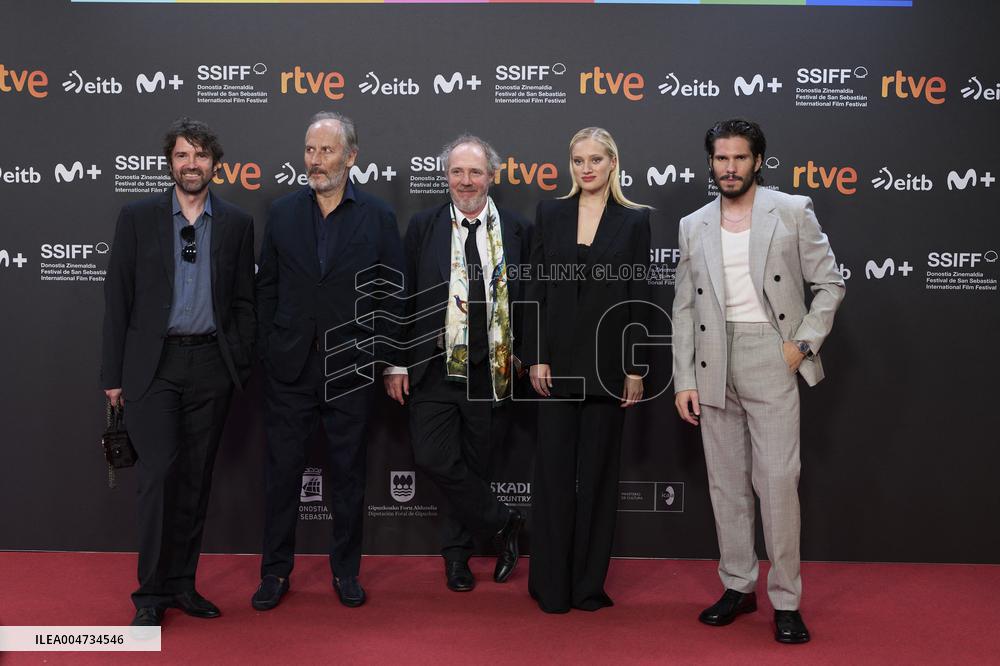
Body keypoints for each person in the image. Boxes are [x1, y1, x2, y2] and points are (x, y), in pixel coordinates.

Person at [672, 118, 845, 644]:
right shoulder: (693, 223)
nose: (729, 167)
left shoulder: (791, 211)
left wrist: (802, 343)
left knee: (776, 484)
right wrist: (683, 377)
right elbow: (683, 306)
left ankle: (786, 600)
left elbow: (830, 284)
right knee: (726, 485)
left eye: (739, 158)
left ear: (758, 161)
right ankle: (738, 585)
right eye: (721, 159)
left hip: (772, 353)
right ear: (711, 163)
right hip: (711, 357)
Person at [101, 117, 256, 626]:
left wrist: (242, 358)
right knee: (158, 476)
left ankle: (184, 586)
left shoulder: (236, 222)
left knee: (195, 480)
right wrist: (112, 375)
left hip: (212, 364)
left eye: (201, 155)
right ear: (170, 163)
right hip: (154, 367)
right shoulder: (138, 216)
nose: (192, 165)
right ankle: (149, 595)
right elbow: (117, 299)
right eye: (183, 155)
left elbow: (243, 302)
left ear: (216, 164)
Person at [252, 112, 405, 610]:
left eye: (327, 151)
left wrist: (383, 360)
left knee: (348, 476)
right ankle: (275, 573)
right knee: (281, 477)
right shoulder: (281, 213)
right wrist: (270, 349)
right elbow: (266, 288)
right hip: (290, 369)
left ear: (352, 156)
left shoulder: (378, 217)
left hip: (350, 367)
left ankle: (346, 571)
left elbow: (392, 295)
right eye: (310, 150)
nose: (316, 161)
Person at [384, 135, 530, 592]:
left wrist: (528, 350)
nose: (466, 181)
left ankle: (457, 558)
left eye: (475, 172)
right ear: (446, 176)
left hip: (491, 370)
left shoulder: (518, 228)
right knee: (433, 457)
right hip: (433, 366)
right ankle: (504, 523)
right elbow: (400, 296)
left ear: (492, 175)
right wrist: (395, 361)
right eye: (457, 172)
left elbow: (534, 296)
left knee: (474, 464)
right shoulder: (423, 226)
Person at [523, 127, 651, 613]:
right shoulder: (549, 213)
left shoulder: (634, 221)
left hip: (608, 367)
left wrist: (636, 368)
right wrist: (535, 353)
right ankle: (551, 586)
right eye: (578, 160)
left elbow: (640, 297)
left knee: (597, 479)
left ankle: (587, 587)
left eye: (596, 159)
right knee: (554, 477)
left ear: (613, 163)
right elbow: (533, 289)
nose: (586, 168)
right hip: (554, 367)